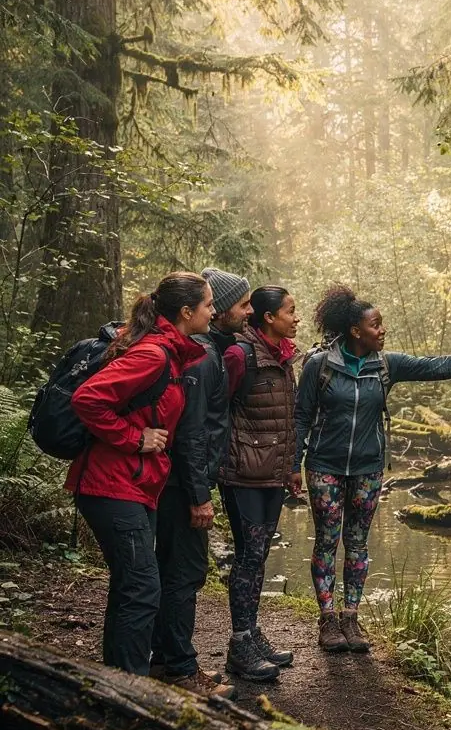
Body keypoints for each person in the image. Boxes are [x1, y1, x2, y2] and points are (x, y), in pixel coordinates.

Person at [293, 284, 451, 652]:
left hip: (369, 469)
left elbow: (437, 366)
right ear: (356, 331)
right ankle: (327, 620)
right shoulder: (319, 366)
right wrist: (294, 464)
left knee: (356, 543)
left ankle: (351, 620)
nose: (383, 330)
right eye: (376, 325)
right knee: (327, 541)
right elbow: (301, 417)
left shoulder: (387, 365)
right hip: (325, 466)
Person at [66, 272, 214, 677]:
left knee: (131, 587)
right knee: (143, 588)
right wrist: (136, 439)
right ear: (187, 312)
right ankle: (132, 692)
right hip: (111, 485)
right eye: (208, 305)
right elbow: (88, 398)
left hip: (133, 486)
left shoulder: (172, 351)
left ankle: (118, 682)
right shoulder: (154, 354)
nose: (213, 311)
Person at [151, 268, 252, 687]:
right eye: (241, 304)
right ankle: (180, 666)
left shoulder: (202, 349)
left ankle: (160, 658)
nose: (248, 311)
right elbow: (192, 432)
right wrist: (199, 495)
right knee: (185, 573)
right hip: (181, 485)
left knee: (167, 568)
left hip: (171, 481)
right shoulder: (202, 356)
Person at [219, 285, 300, 682]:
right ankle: (239, 644)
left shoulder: (283, 357)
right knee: (248, 555)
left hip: (271, 475)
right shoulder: (239, 355)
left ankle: (251, 634)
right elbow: (218, 413)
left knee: (260, 555)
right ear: (269, 317)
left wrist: (290, 467)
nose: (296, 318)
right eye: (290, 311)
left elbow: (287, 421)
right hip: (242, 475)